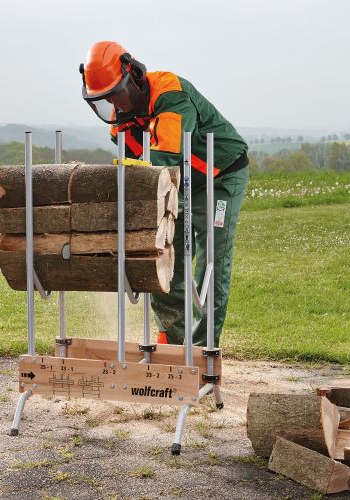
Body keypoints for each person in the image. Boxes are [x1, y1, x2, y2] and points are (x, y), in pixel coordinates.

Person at [80, 41, 249, 348]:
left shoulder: (170, 93)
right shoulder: (122, 124)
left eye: (117, 93)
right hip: (177, 181)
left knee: (211, 260)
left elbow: (165, 160)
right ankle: (173, 343)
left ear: (133, 75)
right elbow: (140, 173)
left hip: (220, 175)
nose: (115, 104)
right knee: (166, 254)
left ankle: (202, 350)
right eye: (106, 99)